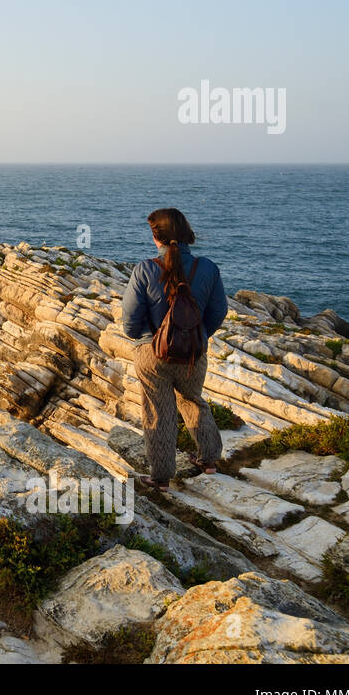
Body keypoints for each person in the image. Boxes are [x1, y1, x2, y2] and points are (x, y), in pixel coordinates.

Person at [121, 208, 228, 490]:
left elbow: (130, 323)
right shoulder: (208, 268)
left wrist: (148, 336)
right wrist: (198, 336)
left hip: (152, 353)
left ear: (157, 236)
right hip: (193, 352)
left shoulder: (145, 269)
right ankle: (209, 460)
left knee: (158, 410)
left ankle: (161, 477)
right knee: (193, 399)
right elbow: (219, 312)